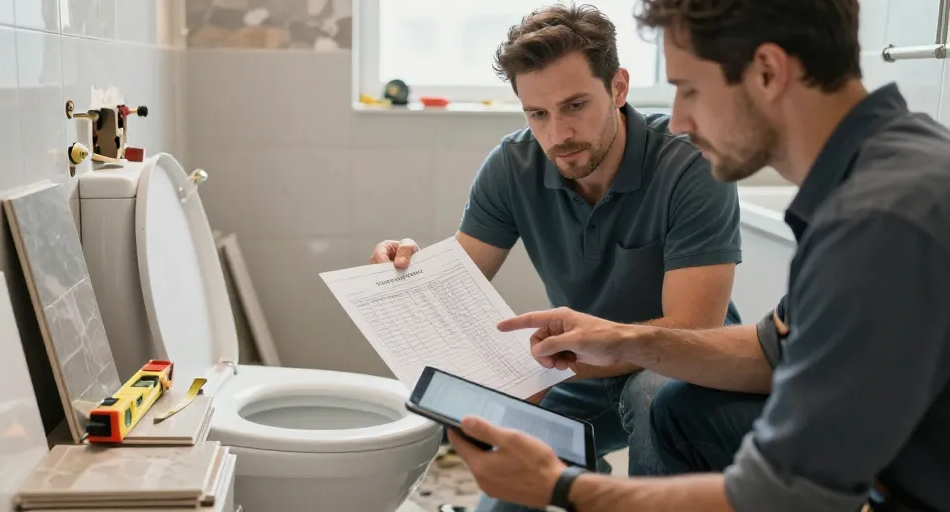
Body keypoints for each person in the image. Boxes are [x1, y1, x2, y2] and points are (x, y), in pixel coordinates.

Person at [447, 0, 950, 511]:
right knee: (650, 420)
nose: (681, 116)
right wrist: (620, 339)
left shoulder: (880, 220)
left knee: (655, 401)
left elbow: (785, 493)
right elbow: (770, 350)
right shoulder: (882, 175)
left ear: (768, 72)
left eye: (690, 89)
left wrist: (563, 489)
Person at [367, 2, 744, 487]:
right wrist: (397, 275)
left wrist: (542, 368)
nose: (558, 134)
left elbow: (695, 330)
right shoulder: (513, 165)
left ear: (619, 87)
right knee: (511, 496)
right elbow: (453, 285)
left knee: (653, 394)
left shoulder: (690, 164)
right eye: (537, 114)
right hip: (580, 370)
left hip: (675, 369)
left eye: (575, 106)